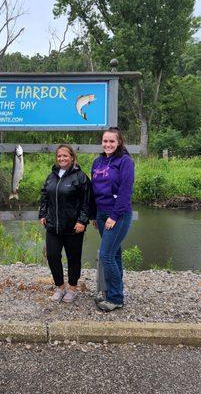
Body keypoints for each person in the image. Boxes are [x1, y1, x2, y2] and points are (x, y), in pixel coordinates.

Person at [39, 144, 91, 303]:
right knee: (53, 256)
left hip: (73, 227)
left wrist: (82, 221)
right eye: (59, 156)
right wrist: (42, 214)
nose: (62, 158)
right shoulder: (51, 176)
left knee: (73, 258)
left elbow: (87, 202)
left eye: (65, 156)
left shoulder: (80, 177)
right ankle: (60, 287)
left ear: (72, 157)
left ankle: (73, 288)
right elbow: (44, 196)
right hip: (53, 226)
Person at [91, 127, 135, 312]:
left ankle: (116, 297)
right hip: (101, 214)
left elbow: (126, 191)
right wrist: (94, 214)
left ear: (119, 143)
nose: (108, 144)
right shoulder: (97, 161)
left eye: (112, 141)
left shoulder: (125, 162)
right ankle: (113, 293)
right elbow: (93, 190)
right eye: (105, 141)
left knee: (106, 256)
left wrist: (114, 216)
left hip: (118, 214)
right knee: (114, 254)